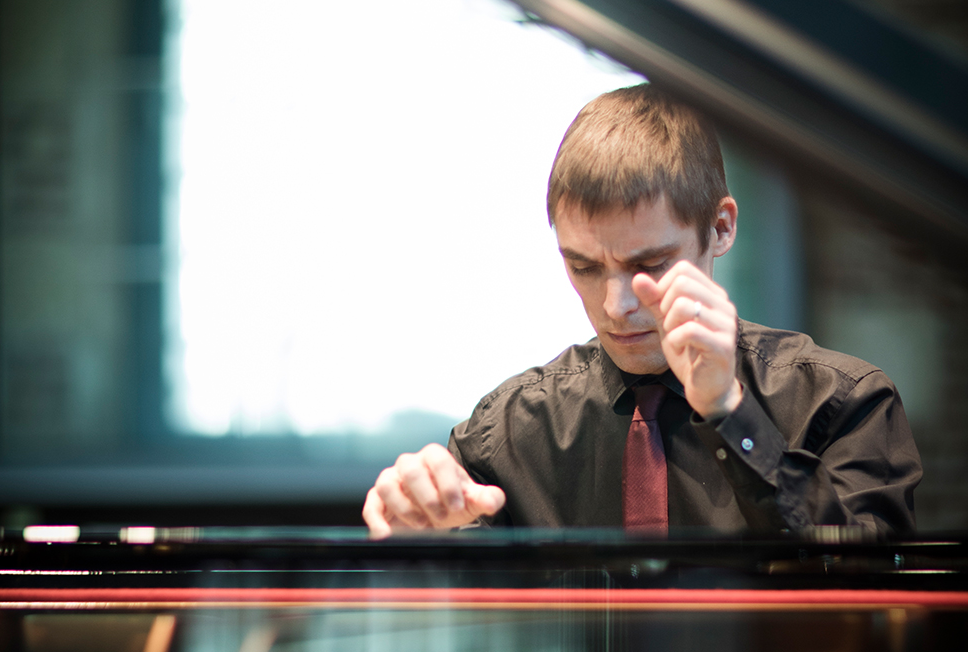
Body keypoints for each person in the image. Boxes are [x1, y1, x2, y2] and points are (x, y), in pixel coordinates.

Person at [362, 84, 922, 539]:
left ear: (721, 228)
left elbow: (867, 599)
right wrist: (421, 541)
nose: (615, 307)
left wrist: (730, 411)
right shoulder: (506, 433)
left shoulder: (843, 404)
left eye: (648, 265)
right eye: (582, 267)